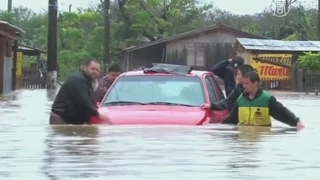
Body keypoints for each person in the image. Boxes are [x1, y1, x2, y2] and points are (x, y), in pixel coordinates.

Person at [204, 71, 305, 128]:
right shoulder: (241, 99)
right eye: (243, 83)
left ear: (255, 83)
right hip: (243, 138)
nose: (244, 86)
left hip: (261, 136)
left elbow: (282, 112)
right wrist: (215, 128)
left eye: (247, 83)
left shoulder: (267, 99)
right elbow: (231, 119)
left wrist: (296, 122)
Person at [49, 59, 111, 125]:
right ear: (85, 68)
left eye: (97, 70)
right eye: (92, 69)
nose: (95, 72)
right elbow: (85, 102)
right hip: (61, 120)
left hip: (73, 122)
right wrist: (98, 114)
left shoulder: (89, 82)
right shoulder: (78, 80)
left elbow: (90, 102)